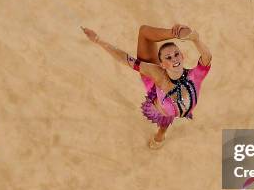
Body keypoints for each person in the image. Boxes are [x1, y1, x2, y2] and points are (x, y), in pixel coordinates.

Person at [81, 24, 212, 149]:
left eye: (177, 54)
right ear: (162, 64)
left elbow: (207, 56)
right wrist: (98, 40)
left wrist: (196, 39)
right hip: (160, 96)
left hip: (168, 105)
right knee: (144, 32)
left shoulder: (194, 76)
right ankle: (175, 33)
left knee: (165, 116)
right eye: (168, 57)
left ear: (183, 56)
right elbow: (125, 59)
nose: (174, 59)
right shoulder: (156, 73)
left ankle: (160, 134)